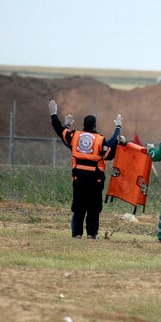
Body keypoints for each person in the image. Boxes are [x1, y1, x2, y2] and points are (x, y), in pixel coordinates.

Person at [49, 99, 122, 239]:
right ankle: (91, 234)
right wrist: (118, 128)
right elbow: (111, 146)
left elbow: (61, 132)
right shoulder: (100, 140)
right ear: (95, 125)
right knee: (93, 207)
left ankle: (76, 234)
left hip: (78, 178)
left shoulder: (75, 136)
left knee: (79, 206)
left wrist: (54, 115)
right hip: (96, 179)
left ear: (83, 125)